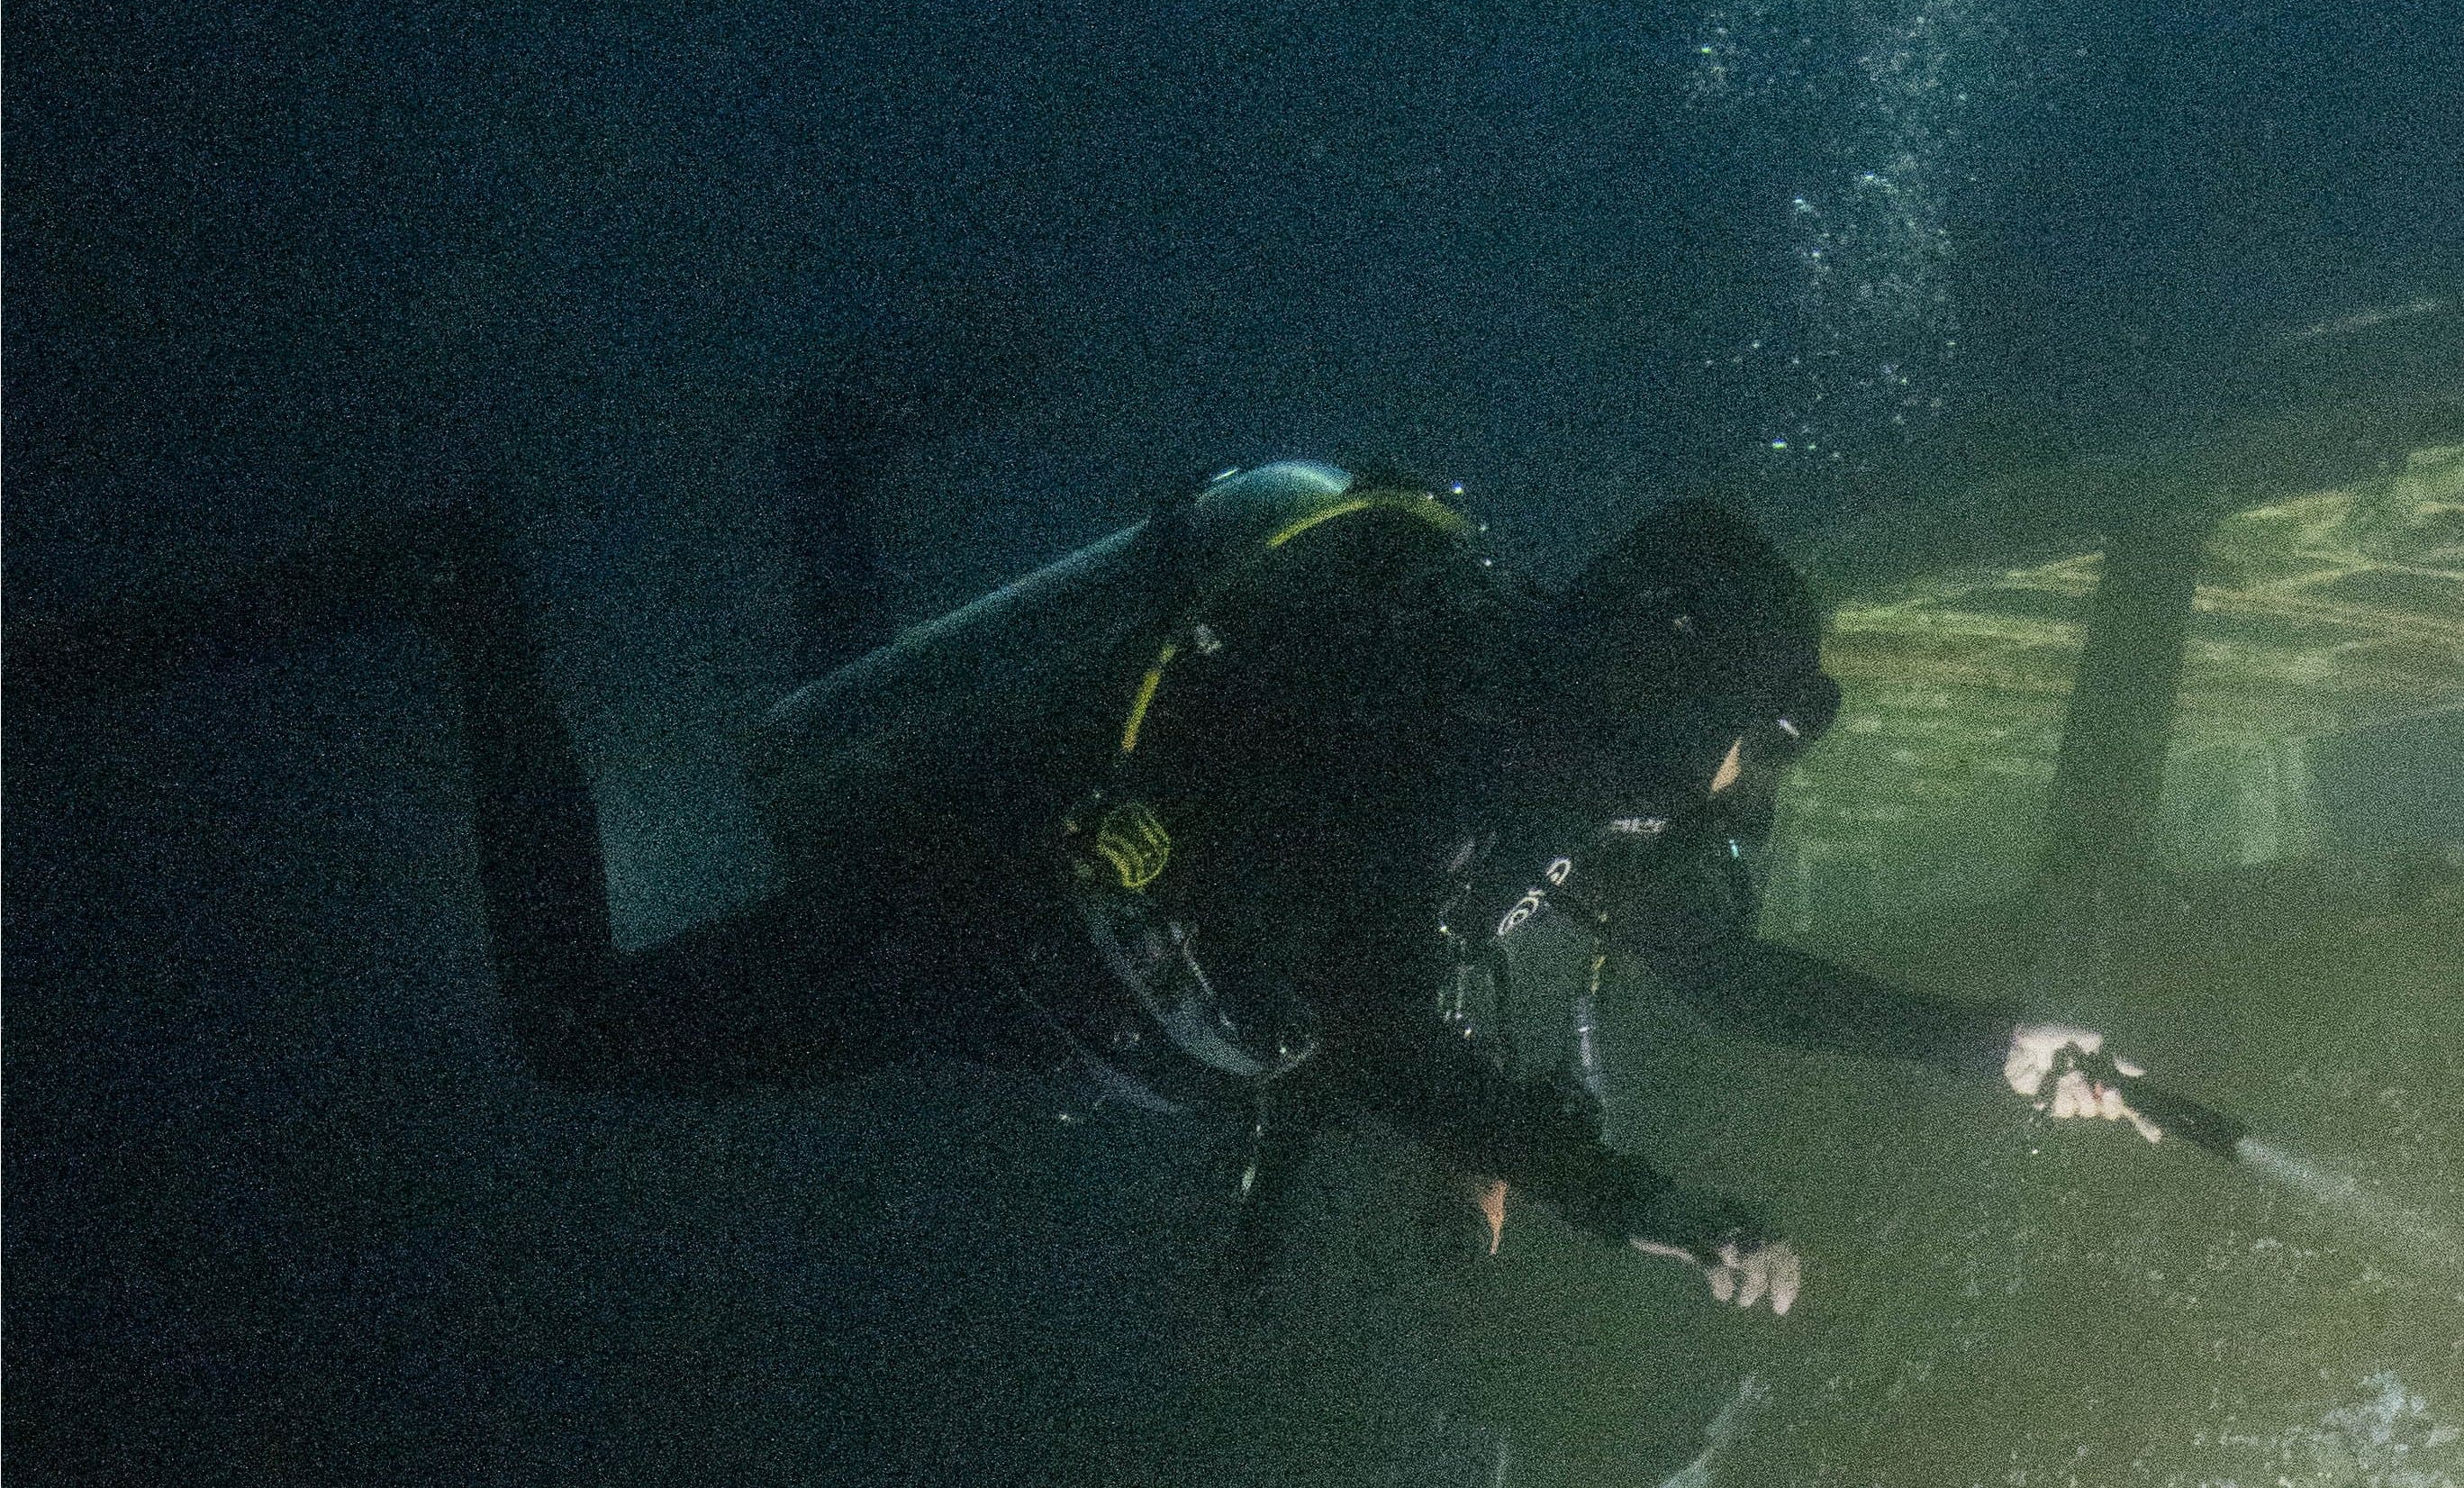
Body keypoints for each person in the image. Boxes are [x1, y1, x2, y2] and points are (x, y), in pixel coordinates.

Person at [8, 391, 2178, 1305]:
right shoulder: (1448, 737)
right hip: (1008, 928)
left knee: (827, 749)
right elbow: (1368, 1026)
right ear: (1667, 696)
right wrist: (1643, 1208)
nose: (1734, 799)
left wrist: (2006, 1049)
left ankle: (824, 455)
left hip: (1050, 918)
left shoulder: (1532, 745)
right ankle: (462, 592)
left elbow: (1732, 976)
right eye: (1733, 748)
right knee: (584, 1022)